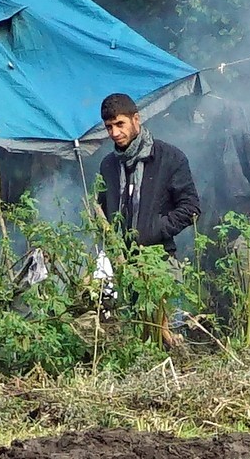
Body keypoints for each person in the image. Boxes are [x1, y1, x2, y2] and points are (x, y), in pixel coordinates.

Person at [96, 93, 200, 343]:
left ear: (136, 119)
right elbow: (102, 211)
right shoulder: (108, 165)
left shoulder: (169, 158)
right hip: (123, 268)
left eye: (120, 124)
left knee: (173, 341)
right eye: (109, 127)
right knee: (134, 343)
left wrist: (154, 230)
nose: (114, 133)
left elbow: (191, 207)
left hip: (161, 264)